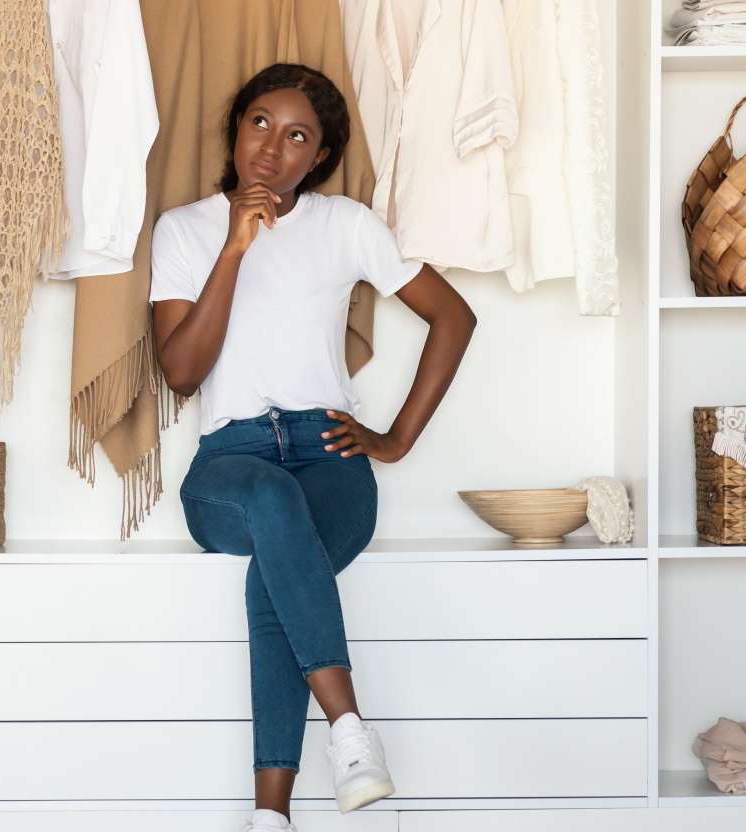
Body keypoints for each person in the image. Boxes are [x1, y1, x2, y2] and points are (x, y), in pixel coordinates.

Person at [149, 63, 477, 832]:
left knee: (276, 578)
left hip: (329, 457)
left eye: (298, 137)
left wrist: (393, 439)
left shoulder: (345, 225)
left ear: (318, 158)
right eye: (260, 122)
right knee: (269, 502)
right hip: (229, 465)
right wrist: (234, 248)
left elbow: (454, 318)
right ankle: (349, 731)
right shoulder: (186, 230)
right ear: (236, 128)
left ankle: (271, 818)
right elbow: (182, 371)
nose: (272, 148)